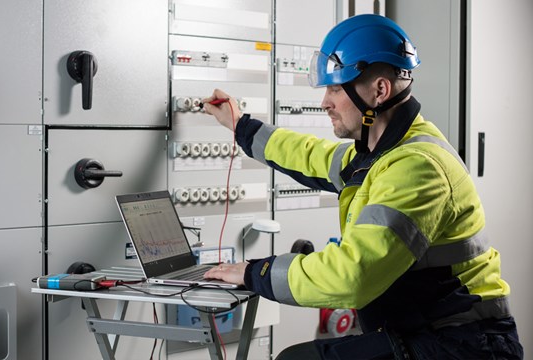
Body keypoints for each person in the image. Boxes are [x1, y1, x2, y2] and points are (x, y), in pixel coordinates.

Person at [202, 14, 523, 359]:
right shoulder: (380, 154)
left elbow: (353, 276)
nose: (325, 101)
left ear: (379, 91)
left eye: (336, 88)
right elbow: (310, 157)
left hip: (466, 346)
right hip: (424, 334)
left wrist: (255, 272)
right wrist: (241, 126)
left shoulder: (417, 166)